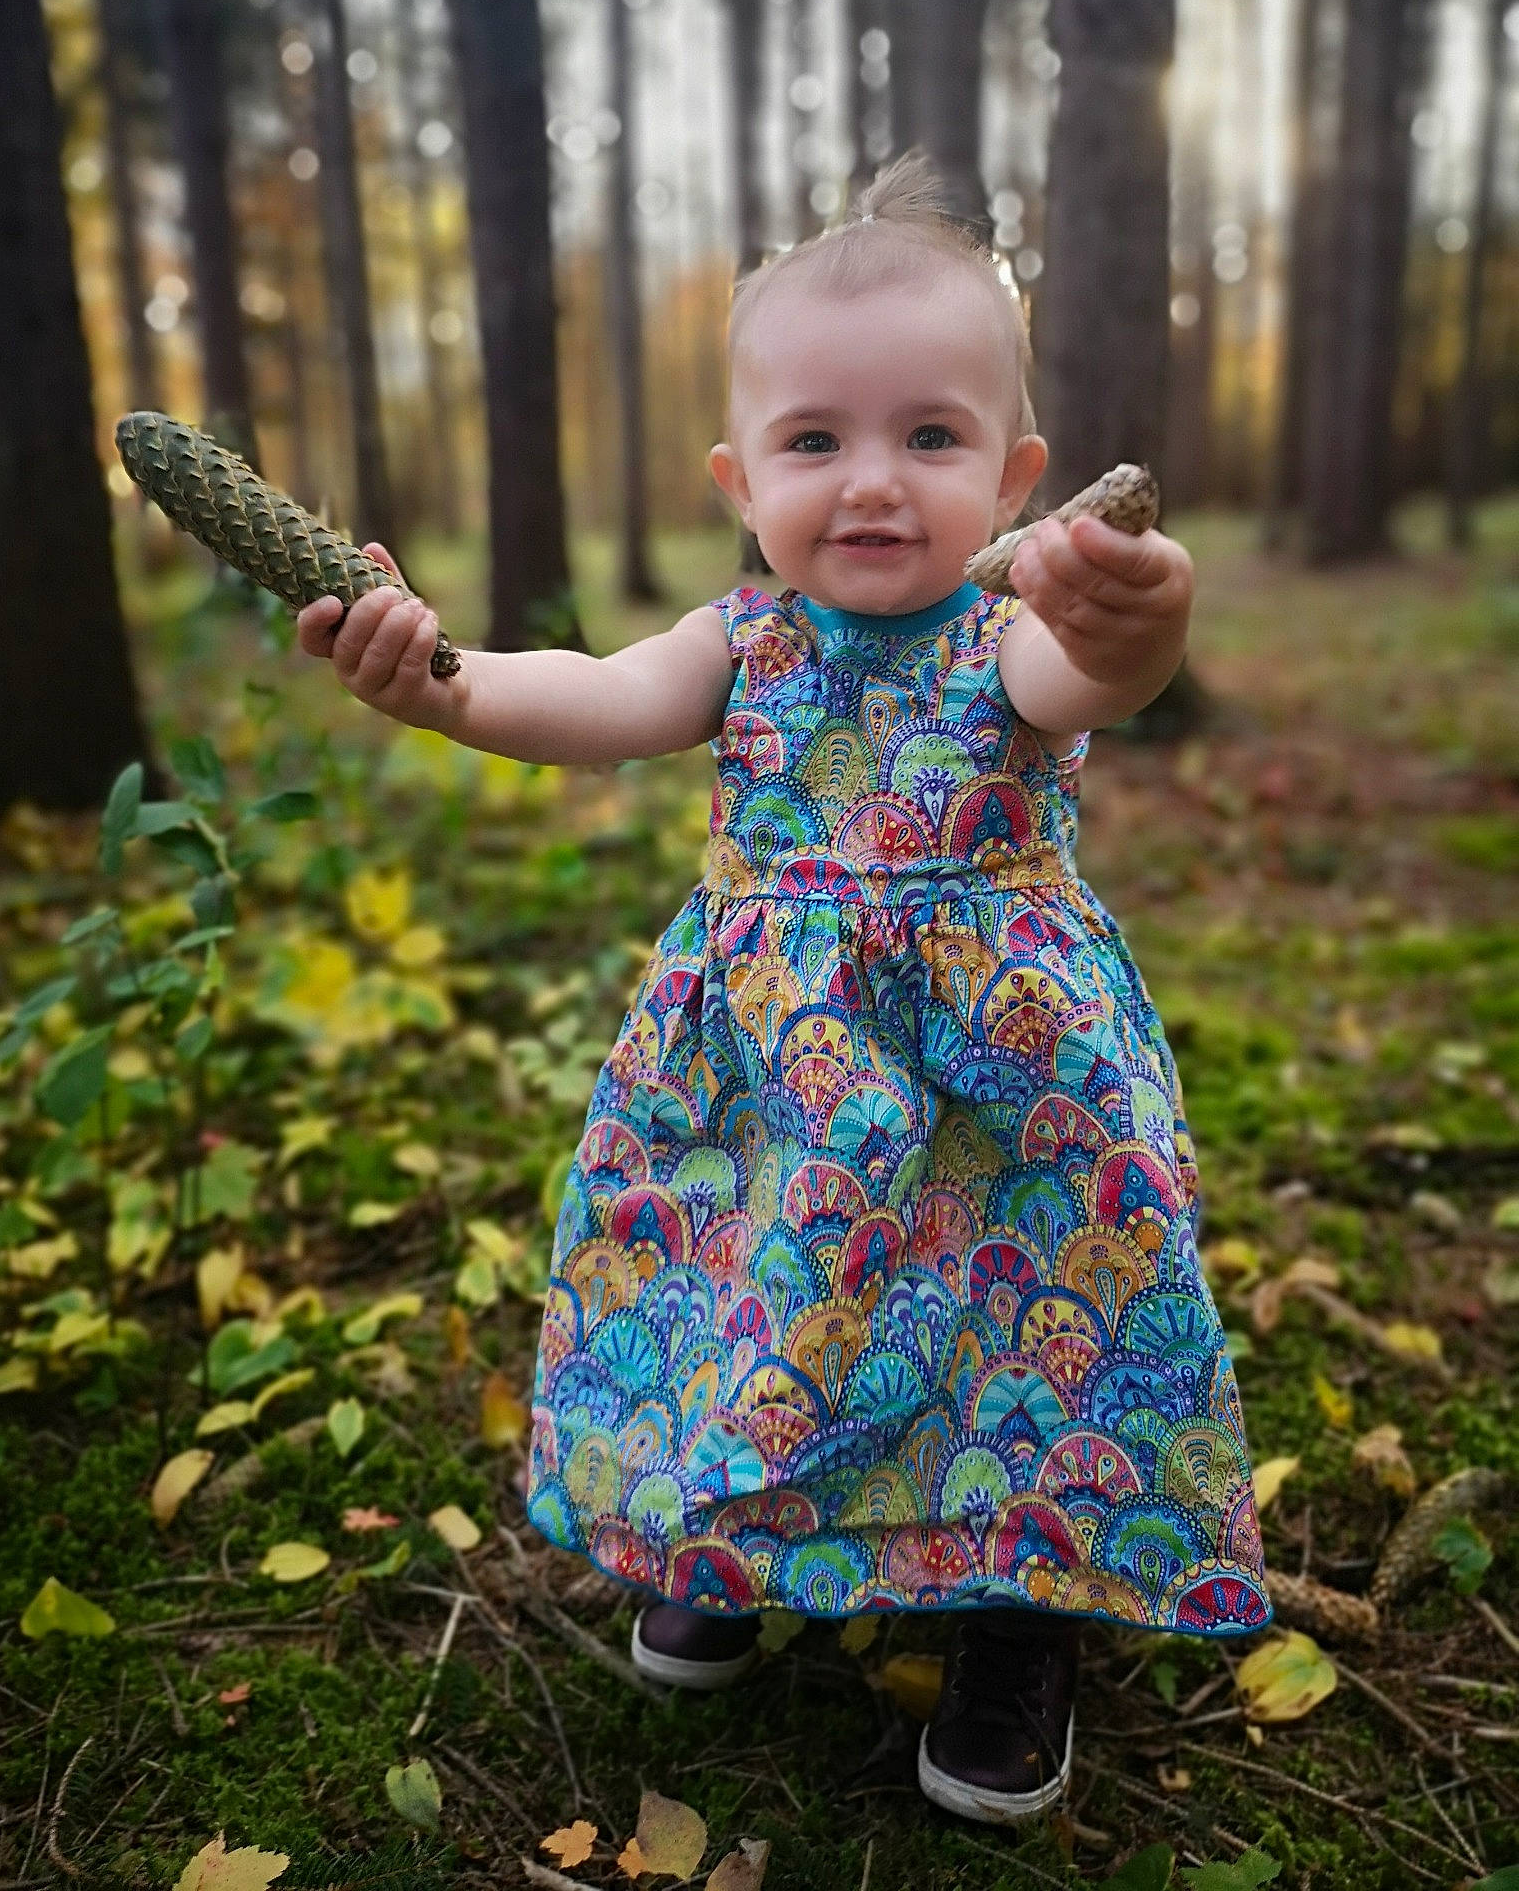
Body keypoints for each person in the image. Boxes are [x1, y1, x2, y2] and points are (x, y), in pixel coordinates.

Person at [297, 149, 1270, 1828]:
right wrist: (442, 685)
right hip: (775, 1079)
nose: (873, 482)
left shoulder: (1002, 637)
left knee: (1009, 1327)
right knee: (743, 1292)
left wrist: (1135, 617)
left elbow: (1088, 667)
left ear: (1018, 474)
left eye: (932, 437)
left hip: (1002, 1084)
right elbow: (586, 696)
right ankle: (734, 1536)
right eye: (818, 442)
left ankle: (1013, 1606)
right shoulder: (740, 646)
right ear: (744, 479)